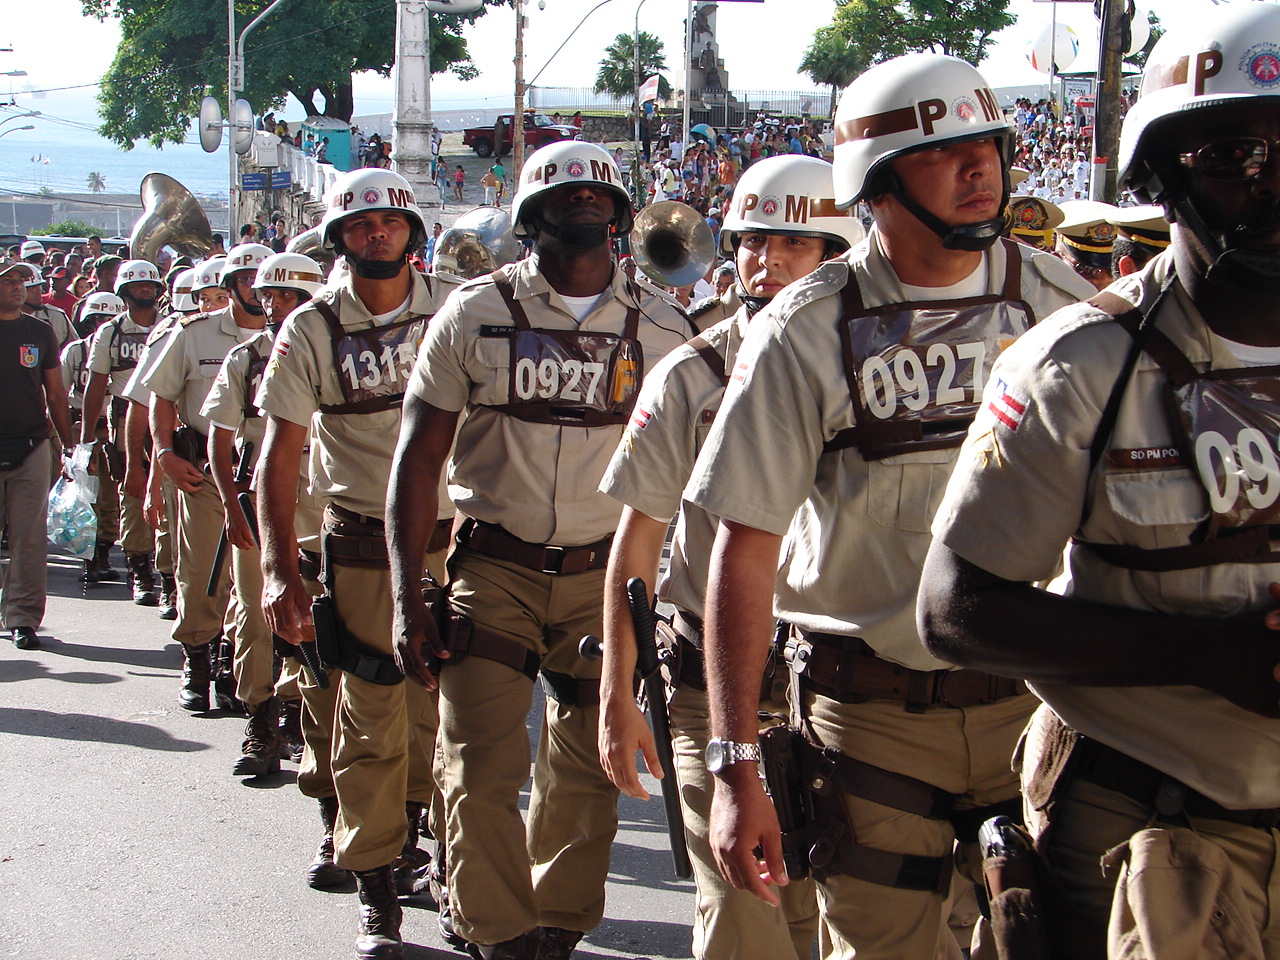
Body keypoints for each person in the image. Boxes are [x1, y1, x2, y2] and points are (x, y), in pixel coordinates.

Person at [684, 53, 1093, 958]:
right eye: (946, 153)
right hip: (866, 721)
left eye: (989, 144)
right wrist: (735, 764)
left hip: (1040, 705)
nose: (981, 167)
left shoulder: (1067, 311)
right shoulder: (805, 329)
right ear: (875, 185)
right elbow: (741, 550)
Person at [918, 6, 1280, 954]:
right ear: (1162, 175)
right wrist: (1201, 657)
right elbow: (956, 610)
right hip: (1150, 835)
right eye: (1237, 155)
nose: (1274, 183)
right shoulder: (1078, 368)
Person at [386, 140, 690, 960]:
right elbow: (418, 456)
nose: (583, 206)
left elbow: (697, 473)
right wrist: (406, 593)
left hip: (607, 574)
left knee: (593, 763)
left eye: (598, 196)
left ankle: (556, 924)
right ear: (529, 219)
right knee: (478, 760)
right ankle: (497, 932)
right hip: (494, 568)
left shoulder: (664, 327)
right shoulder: (472, 313)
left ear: (623, 217)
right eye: (563, 198)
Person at [598, 155, 864, 960]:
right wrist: (617, 691)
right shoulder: (690, 374)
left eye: (792, 242)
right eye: (752, 241)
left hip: (833, 695)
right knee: (744, 922)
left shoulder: (869, 367)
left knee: (824, 920)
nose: (765, 260)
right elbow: (637, 542)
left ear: (835, 253)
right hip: (706, 692)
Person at [255, 168, 447, 958]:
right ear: (340, 237)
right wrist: (276, 568)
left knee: (437, 713)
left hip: (454, 541)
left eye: (391, 222)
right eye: (362, 224)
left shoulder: (455, 309)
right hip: (362, 544)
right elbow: (279, 453)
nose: (378, 234)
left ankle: (408, 845)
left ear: (411, 232)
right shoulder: (310, 328)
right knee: (371, 710)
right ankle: (374, 889)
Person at [201, 252, 325, 779]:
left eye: (285, 295)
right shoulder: (246, 359)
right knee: (256, 613)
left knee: (320, 615)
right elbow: (221, 436)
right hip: (263, 495)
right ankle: (260, 720)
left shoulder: (336, 351)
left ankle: (303, 715)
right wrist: (231, 505)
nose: (273, 305)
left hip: (323, 497)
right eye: (268, 295)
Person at [143, 245, 272, 712]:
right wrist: (162, 454)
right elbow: (159, 396)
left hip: (265, 474)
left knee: (255, 584)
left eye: (266, 279)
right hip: (204, 472)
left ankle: (236, 668)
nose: (257, 288)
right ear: (232, 284)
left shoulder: (291, 333)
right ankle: (197, 655)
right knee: (201, 573)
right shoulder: (194, 333)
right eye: (248, 279)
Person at [0, 258, 75, 650]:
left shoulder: (41, 332)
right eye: (7, 281)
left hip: (31, 447)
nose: (17, 287)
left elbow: (56, 393)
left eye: (21, 281)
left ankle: (23, 618)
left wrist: (70, 444)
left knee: (28, 540)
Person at [79, 266, 166, 596]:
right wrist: (87, 440)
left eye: (150, 284)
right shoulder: (109, 333)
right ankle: (141, 572)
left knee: (171, 492)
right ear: (124, 290)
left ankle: (169, 575)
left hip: (167, 415)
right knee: (132, 491)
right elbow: (96, 385)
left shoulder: (171, 324)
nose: (145, 290)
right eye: (137, 284)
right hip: (125, 418)